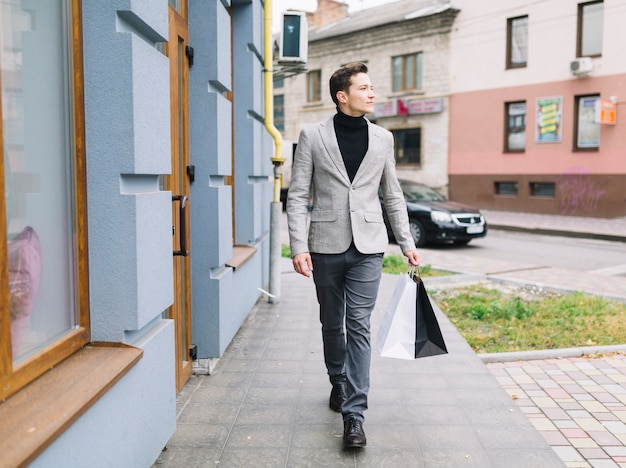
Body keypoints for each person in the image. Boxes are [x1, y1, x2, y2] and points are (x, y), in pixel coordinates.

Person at [286, 62, 420, 448]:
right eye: (364, 87)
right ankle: (337, 381)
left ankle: (354, 415)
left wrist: (406, 244)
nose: (373, 93)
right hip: (325, 243)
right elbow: (298, 195)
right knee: (333, 323)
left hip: (369, 247)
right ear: (342, 95)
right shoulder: (313, 135)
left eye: (372, 86)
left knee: (359, 325)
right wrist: (298, 246)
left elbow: (392, 194)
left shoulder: (382, 138)